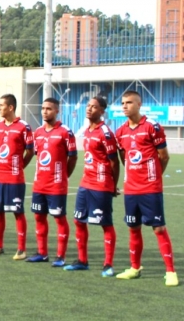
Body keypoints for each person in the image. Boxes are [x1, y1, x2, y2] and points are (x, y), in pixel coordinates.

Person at [114, 90, 178, 286]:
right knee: (133, 228)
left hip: (150, 188)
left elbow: (164, 156)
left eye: (129, 103)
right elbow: (124, 156)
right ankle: (135, 268)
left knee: (158, 229)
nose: (125, 106)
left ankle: (170, 271)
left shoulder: (152, 127)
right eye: (123, 103)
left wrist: (154, 176)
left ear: (139, 104)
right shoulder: (121, 131)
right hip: (131, 189)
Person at [64, 97, 119, 276]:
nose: (89, 109)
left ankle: (108, 264)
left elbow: (114, 162)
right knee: (78, 220)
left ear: (102, 111)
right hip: (85, 183)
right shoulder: (87, 130)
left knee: (105, 223)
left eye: (94, 107)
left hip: (101, 184)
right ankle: (82, 260)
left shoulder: (106, 133)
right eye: (88, 105)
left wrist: (113, 185)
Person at [0, 94, 35, 259]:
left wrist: (19, 166)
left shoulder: (23, 127)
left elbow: (30, 151)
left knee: (17, 212)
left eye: (1, 105)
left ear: (11, 107)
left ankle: (21, 249)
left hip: (14, 178)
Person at [26, 98, 77, 266]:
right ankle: (42, 253)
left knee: (59, 218)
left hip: (56, 185)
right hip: (39, 184)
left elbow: (73, 157)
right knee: (39, 217)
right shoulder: (38, 132)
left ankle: (61, 256)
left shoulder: (65, 132)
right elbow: (38, 156)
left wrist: (63, 176)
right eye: (43, 108)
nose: (44, 111)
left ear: (57, 111)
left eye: (49, 108)